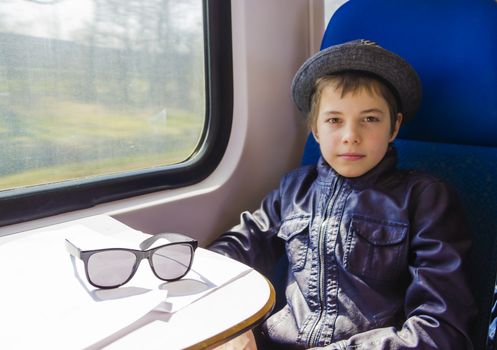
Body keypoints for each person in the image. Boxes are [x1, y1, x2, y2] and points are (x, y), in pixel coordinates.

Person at [209, 39, 476, 349]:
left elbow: (441, 328)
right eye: (335, 120)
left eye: (370, 119)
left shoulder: (425, 199)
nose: (351, 136)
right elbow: (239, 247)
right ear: (316, 129)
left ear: (394, 127)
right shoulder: (294, 190)